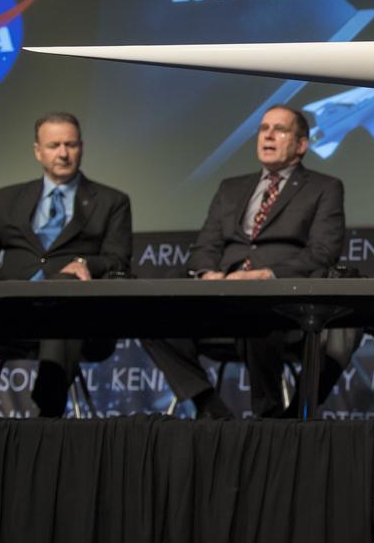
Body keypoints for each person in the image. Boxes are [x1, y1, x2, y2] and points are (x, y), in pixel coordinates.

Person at [0, 112, 132, 417]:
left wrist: (84, 263)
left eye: (71, 144)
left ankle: (48, 411)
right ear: (38, 151)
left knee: (64, 288)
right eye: (54, 145)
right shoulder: (6, 198)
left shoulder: (111, 201)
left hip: (73, 319)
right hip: (7, 313)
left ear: (82, 147)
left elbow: (117, 258)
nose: (63, 153)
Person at [143, 105, 346, 417]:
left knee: (258, 310)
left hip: (279, 300)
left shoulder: (324, 188)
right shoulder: (231, 188)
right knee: (153, 316)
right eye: (263, 128)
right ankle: (208, 405)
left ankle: (269, 416)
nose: (267, 135)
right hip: (221, 295)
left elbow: (322, 253)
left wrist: (267, 275)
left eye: (279, 129)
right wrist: (207, 273)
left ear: (302, 145)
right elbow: (205, 245)